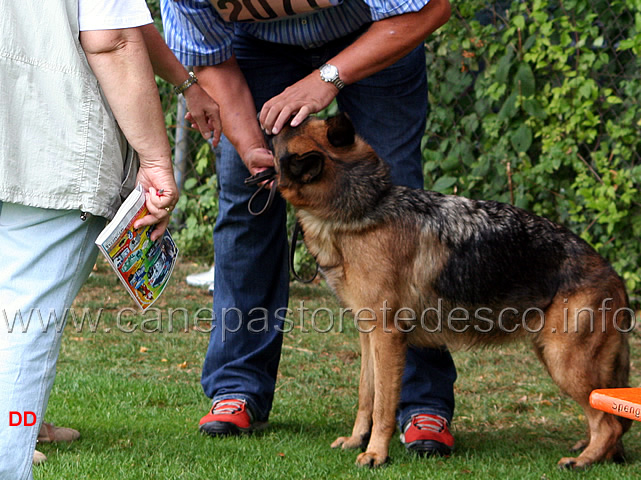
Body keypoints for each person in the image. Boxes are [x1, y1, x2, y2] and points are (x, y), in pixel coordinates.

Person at [161, 0, 458, 457]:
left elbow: (432, 7)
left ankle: (422, 403)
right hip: (255, 48)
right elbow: (208, 56)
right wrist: (248, 144)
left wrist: (325, 79)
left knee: (399, 209)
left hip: (375, 30)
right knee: (247, 200)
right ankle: (238, 387)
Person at [0, 0, 216, 477]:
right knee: (23, 325)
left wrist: (185, 81)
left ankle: (19, 429)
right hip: (40, 138)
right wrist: (157, 163)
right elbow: (111, 37)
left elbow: (122, 21)